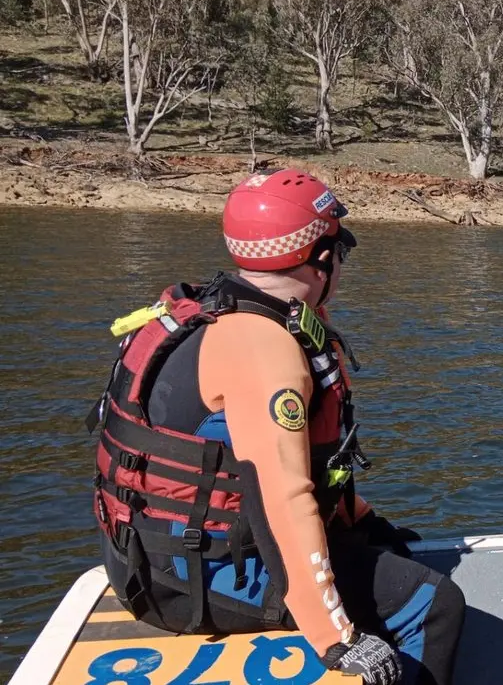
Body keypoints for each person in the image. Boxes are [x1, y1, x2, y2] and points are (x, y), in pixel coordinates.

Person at [88, 169, 466, 685]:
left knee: (385, 552)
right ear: (323, 257)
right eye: (341, 252)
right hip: (191, 581)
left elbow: (289, 464)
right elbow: (280, 503)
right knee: (434, 603)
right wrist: (336, 637)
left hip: (146, 554)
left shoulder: (215, 313)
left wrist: (367, 523)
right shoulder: (267, 352)